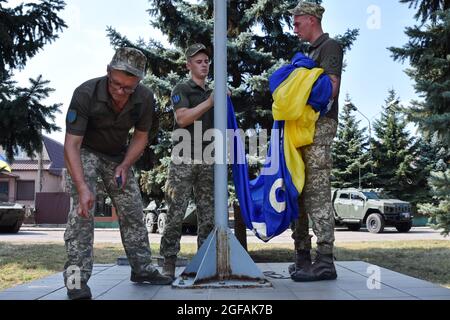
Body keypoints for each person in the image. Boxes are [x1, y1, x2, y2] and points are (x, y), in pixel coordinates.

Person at [63, 47, 172, 300]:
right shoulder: (85, 93)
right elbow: (71, 145)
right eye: (116, 84)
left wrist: (125, 165)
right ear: (108, 71)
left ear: (139, 82)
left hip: (117, 156)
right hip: (85, 152)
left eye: (128, 88)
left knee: (133, 210)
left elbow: (141, 136)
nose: (120, 91)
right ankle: (75, 281)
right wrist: (82, 189)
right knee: (82, 213)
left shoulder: (144, 98)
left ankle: (143, 269)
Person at [288, 1, 343, 282]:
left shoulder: (329, 47)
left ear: (310, 20)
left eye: (297, 22)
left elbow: (331, 88)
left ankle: (324, 261)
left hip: (319, 127)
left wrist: (301, 85)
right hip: (301, 128)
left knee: (317, 192)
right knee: (297, 191)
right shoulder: (308, 52)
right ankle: (302, 256)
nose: (294, 28)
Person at [160, 43, 215, 279]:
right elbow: (182, 119)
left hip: (209, 158)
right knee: (175, 211)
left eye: (206, 61)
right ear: (188, 65)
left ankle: (204, 261)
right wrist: (210, 102)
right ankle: (169, 262)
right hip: (184, 157)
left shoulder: (213, 92)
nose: (203, 65)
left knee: (209, 215)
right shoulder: (182, 88)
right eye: (198, 61)